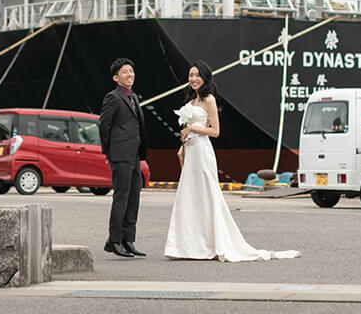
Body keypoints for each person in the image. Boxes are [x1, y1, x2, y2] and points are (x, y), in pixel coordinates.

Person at [164, 61, 300, 262]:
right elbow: (189, 129)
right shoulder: (192, 100)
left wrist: (192, 129)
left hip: (202, 151)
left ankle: (208, 243)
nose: (193, 79)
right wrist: (182, 146)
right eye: (190, 75)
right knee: (189, 195)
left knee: (205, 195)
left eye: (197, 75)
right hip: (191, 150)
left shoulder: (209, 99)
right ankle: (186, 245)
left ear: (205, 77)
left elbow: (215, 131)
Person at [99, 57, 147, 258]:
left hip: (134, 154)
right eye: (125, 72)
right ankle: (115, 240)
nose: (130, 75)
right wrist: (109, 152)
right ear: (116, 77)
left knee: (134, 197)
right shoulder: (113, 97)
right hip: (120, 154)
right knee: (121, 197)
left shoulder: (133, 97)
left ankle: (129, 240)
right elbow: (104, 125)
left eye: (131, 71)